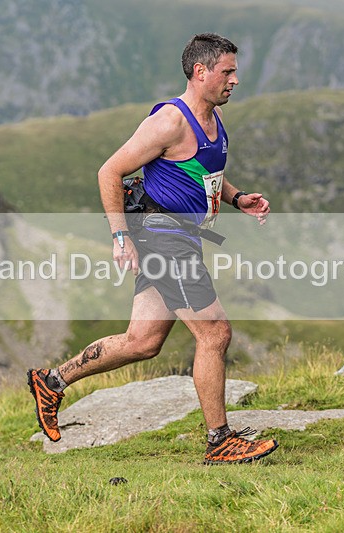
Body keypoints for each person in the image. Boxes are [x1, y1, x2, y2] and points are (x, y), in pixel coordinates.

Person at [28, 33, 278, 464]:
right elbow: (110, 171)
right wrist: (120, 237)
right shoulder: (169, 122)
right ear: (200, 72)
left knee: (142, 341)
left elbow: (202, 173)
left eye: (235, 71)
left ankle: (52, 381)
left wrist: (238, 199)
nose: (235, 80)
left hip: (181, 237)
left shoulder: (214, 121)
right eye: (228, 71)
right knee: (215, 332)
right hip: (162, 237)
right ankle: (220, 441)